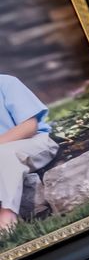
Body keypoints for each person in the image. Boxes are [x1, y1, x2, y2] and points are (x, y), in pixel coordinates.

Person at [0, 73, 59, 235]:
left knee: (4, 155)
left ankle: (7, 219)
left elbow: (29, 126)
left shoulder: (6, 83)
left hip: (34, 142)